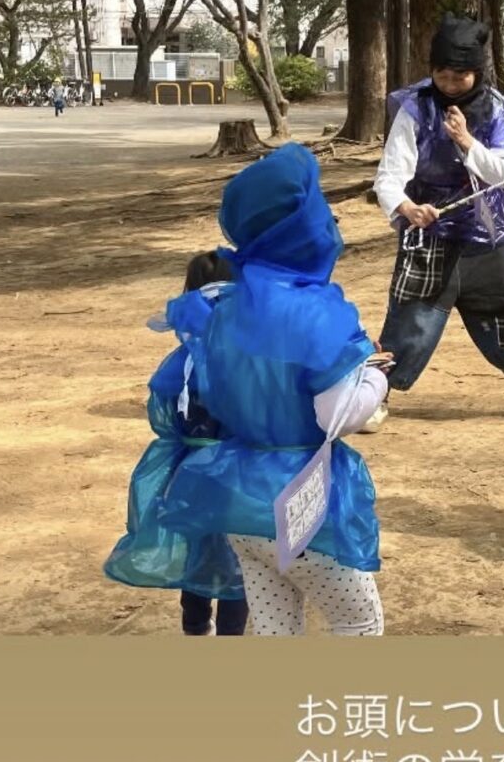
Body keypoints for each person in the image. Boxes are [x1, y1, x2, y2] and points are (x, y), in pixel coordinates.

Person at [153, 143, 389, 636]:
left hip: (241, 502)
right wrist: (375, 377)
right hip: (302, 501)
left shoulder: (223, 308)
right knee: (357, 620)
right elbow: (337, 415)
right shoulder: (317, 311)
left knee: (275, 627)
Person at [363, 12, 504, 432]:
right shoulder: (415, 108)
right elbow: (389, 176)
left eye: (460, 77)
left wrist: (466, 140)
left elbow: (502, 173)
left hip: (484, 231)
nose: (450, 85)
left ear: (478, 72)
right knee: (409, 316)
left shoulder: (497, 109)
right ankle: (379, 395)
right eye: (442, 75)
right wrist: (407, 208)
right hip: (428, 231)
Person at [104, 251, 249, 636]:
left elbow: (164, 418)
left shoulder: (181, 363)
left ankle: (195, 627)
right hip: (242, 473)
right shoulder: (250, 360)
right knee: (240, 557)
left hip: (188, 470)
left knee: (197, 547)